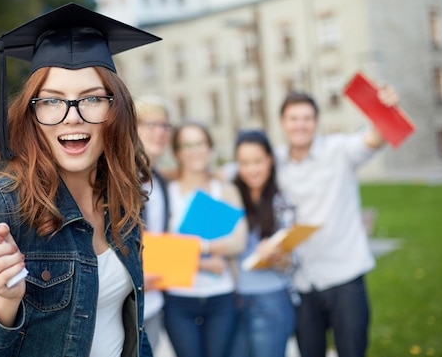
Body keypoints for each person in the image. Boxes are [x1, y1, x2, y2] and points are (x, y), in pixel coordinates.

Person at [0, 2, 161, 357]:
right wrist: (4, 302)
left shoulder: (120, 197)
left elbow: (128, 325)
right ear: (32, 112)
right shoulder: (2, 207)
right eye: (51, 101)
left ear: (115, 109)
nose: (71, 117)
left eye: (92, 98)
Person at [274, 86, 399, 357]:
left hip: (345, 277)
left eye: (307, 118)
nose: (300, 125)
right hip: (303, 282)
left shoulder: (339, 149)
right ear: (283, 123)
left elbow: (374, 139)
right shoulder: (276, 162)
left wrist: (384, 110)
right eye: (294, 119)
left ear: (316, 122)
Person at [163, 120, 247, 357]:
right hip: (179, 300)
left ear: (209, 148)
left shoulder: (226, 190)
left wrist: (195, 246)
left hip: (222, 297)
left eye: (200, 143)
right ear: (178, 153)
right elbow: (158, 250)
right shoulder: (167, 193)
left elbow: (238, 242)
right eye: (187, 145)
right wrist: (205, 260)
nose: (195, 150)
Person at [229, 129, 296, 357]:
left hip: (270, 300)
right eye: (244, 163)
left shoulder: (281, 202)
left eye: (258, 161)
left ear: (270, 160)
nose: (251, 169)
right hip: (233, 300)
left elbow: (292, 263)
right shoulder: (230, 195)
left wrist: (278, 258)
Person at [135, 95, 173, 349]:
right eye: (150, 125)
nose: (159, 132)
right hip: (129, 303)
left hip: (156, 303)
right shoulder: (121, 181)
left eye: (164, 126)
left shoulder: (161, 183)